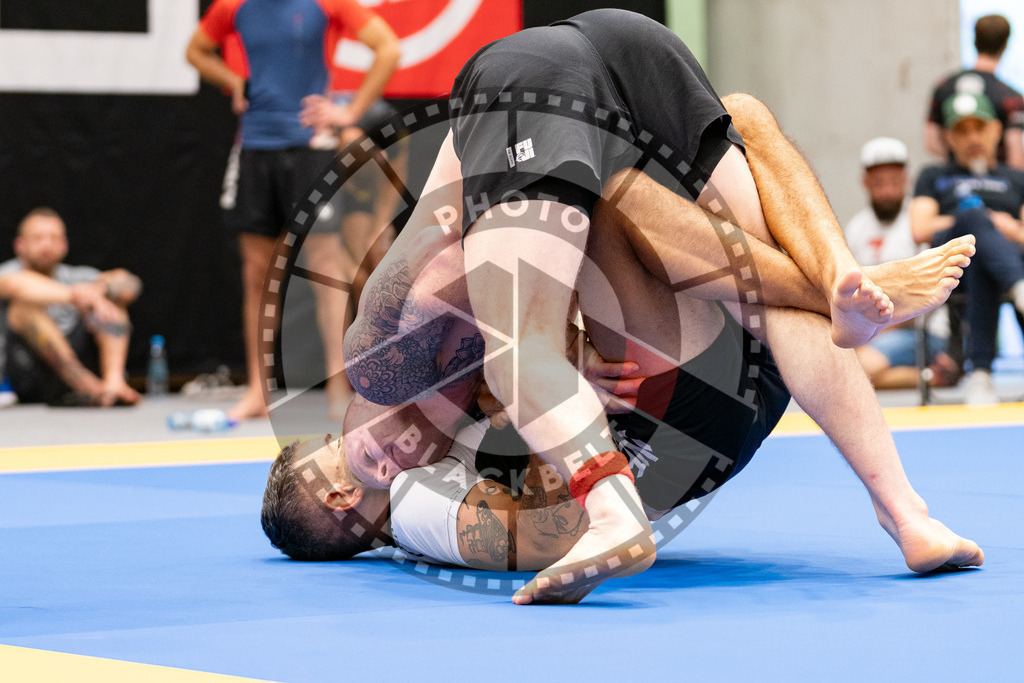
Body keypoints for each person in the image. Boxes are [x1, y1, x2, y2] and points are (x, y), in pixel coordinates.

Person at [272, 10, 979, 603]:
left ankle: (887, 460)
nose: (393, 455)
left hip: (716, 374)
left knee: (714, 143)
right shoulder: (417, 496)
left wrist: (546, 360)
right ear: (347, 513)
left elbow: (455, 281)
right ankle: (842, 309)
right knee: (691, 155)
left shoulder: (391, 379)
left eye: (362, 448)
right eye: (372, 468)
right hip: (687, 393)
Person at [185, 0, 401, 421]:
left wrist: (350, 111)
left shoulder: (327, 2)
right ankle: (257, 391)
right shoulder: (234, 5)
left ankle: (342, 392)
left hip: (311, 148)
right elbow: (195, 50)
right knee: (256, 274)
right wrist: (233, 81)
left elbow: (388, 48)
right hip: (255, 147)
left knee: (325, 269)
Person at [912, 91, 1024, 406]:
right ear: (948, 137)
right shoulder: (934, 176)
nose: (972, 137)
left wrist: (1007, 229)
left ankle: (981, 375)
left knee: (979, 255)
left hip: (992, 261)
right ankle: (1020, 288)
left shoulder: (1016, 180)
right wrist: (985, 218)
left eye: (979, 127)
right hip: (950, 264)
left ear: (997, 130)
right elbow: (920, 227)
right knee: (972, 222)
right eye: (961, 130)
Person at [845, 138, 957, 389]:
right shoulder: (855, 228)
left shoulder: (918, 224)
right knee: (842, 368)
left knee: (852, 368)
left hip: (919, 330)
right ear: (865, 183)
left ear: (906, 179)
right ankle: (929, 378)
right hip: (870, 331)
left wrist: (868, 334)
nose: (886, 191)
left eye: (894, 182)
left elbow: (927, 298)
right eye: (878, 184)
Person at [0, 208, 141, 406]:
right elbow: (17, 285)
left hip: (78, 358)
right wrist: (77, 295)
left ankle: (114, 383)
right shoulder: (7, 274)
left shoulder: (76, 277)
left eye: (53, 238)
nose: (46, 244)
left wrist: (102, 289)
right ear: (19, 245)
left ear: (64, 245)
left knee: (113, 302)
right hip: (26, 375)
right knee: (24, 307)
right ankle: (90, 387)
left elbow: (130, 283)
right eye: (38, 238)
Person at [925, 14, 1024, 169]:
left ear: (975, 41)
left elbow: (932, 143)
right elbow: (1016, 157)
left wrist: (960, 167)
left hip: (955, 182)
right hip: (999, 186)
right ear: (1005, 45)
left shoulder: (944, 86)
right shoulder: (1011, 97)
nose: (973, 139)